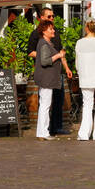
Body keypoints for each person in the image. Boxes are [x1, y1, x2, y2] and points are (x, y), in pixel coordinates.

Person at [26, 7, 71, 135]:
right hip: (47, 72)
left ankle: (56, 127)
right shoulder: (37, 34)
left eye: (53, 16)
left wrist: (66, 67)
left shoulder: (54, 33)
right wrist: (45, 56)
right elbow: (30, 52)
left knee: (58, 99)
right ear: (42, 18)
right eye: (49, 16)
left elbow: (60, 52)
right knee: (46, 102)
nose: (52, 18)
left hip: (57, 72)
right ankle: (44, 131)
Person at [33, 21, 69, 140]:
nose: (53, 31)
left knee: (45, 105)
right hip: (46, 79)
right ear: (44, 31)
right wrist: (58, 56)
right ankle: (43, 133)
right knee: (45, 105)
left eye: (53, 29)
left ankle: (43, 132)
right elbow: (45, 61)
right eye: (50, 29)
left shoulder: (47, 43)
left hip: (47, 78)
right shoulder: (44, 44)